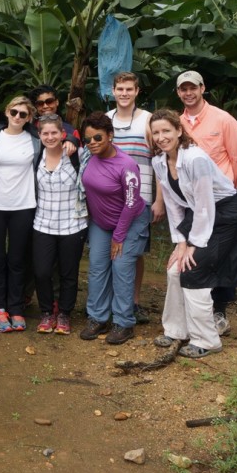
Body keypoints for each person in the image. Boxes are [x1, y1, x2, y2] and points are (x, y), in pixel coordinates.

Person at [149, 109, 237, 358]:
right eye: (156, 133)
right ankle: (176, 330)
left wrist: (194, 244)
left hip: (225, 215)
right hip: (198, 214)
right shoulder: (159, 162)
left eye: (166, 131)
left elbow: (207, 205)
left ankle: (207, 340)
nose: (161, 137)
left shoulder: (195, 158)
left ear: (179, 131)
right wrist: (180, 243)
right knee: (175, 267)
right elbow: (174, 206)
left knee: (194, 269)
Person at [176, 71, 237, 335]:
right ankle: (197, 310)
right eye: (183, 89)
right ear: (178, 93)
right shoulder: (177, 123)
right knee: (196, 256)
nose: (188, 93)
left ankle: (219, 310)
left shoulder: (223, 119)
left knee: (223, 257)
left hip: (221, 198)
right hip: (193, 202)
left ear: (202, 88)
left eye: (192, 88)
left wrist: (236, 183)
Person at [78, 111, 149, 345]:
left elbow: (130, 203)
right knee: (97, 268)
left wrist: (119, 236)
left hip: (129, 222)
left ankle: (124, 322)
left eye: (97, 138)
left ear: (110, 135)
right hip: (101, 222)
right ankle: (98, 317)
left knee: (121, 268)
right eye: (87, 140)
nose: (92, 144)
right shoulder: (88, 157)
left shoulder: (126, 165)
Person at [0, 96, 40, 333]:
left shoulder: (35, 141)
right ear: (7, 112)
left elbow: (57, 137)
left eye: (23, 114)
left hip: (23, 205)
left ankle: (16, 307)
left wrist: (68, 140)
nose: (17, 117)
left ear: (29, 118)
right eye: (14, 112)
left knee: (17, 260)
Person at [107, 72, 159, 324]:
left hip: (141, 197)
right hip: (109, 199)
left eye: (129, 89)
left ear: (137, 91)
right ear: (113, 91)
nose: (124, 93)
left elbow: (159, 159)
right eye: (120, 89)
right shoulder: (106, 120)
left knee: (133, 252)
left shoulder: (148, 120)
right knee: (109, 251)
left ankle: (133, 302)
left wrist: (159, 200)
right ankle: (111, 302)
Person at [33, 114, 87, 335]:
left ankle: (64, 313)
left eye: (54, 132)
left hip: (72, 224)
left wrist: (75, 142)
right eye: (45, 133)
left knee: (68, 273)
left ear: (62, 133)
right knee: (42, 272)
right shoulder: (36, 156)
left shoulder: (77, 156)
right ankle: (47, 312)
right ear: (39, 135)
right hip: (42, 224)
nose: (50, 137)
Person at [30, 84, 80, 155]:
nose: (45, 106)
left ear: (57, 102)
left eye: (49, 101)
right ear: (36, 106)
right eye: (40, 103)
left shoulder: (70, 131)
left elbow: (79, 157)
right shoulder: (30, 129)